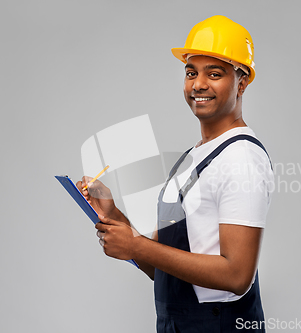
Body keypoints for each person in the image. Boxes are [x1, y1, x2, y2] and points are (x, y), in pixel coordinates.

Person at [77, 15, 274, 333]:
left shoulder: (241, 159)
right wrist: (114, 215)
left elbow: (237, 277)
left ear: (243, 82)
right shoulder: (194, 156)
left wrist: (135, 246)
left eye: (215, 73)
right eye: (191, 72)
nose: (198, 84)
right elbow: (163, 268)